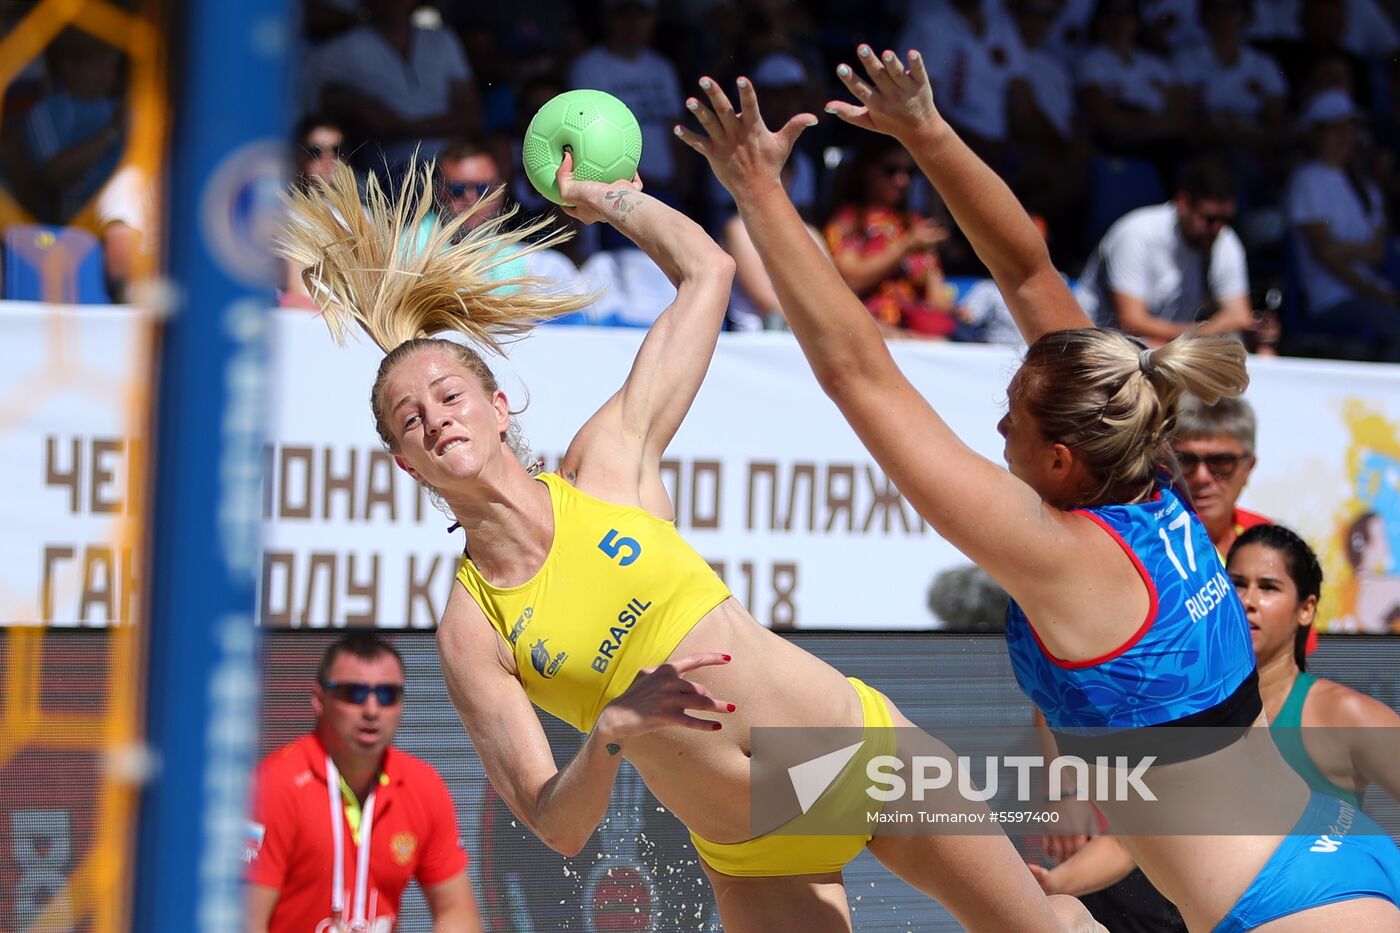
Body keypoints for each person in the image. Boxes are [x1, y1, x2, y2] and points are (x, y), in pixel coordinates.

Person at [677, 43, 1400, 932]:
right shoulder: (1142, 454)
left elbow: (860, 374)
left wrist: (758, 192)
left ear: (1061, 460)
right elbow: (1027, 273)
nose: (997, 427)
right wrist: (927, 132)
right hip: (1331, 853)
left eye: (1012, 414)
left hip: (1294, 906)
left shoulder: (1066, 554)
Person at [278, 152, 1101, 931]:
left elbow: (707, 271)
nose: (435, 416)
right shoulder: (471, 628)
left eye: (450, 392)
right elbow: (556, 824)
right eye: (410, 418)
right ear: (404, 461)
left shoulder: (605, 467)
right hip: (749, 849)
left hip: (852, 759)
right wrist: (608, 733)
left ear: (501, 406)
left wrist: (606, 202)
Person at [1029, 525, 1400, 901]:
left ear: (1306, 609)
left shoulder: (1345, 715)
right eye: (1236, 583)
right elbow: (1135, 843)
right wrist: (1052, 885)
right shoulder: (1188, 710)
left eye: (1268, 587)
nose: (1248, 600)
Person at [245, 633, 483, 932]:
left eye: (387, 695)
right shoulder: (275, 784)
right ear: (319, 699)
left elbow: (457, 911)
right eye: (353, 693)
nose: (371, 710)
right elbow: (245, 921)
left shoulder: (423, 785)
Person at [1079, 157, 1258, 345]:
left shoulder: (1223, 238)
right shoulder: (1136, 234)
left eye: (1226, 219)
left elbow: (1239, 315)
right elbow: (1131, 322)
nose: (1218, 228)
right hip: (1102, 345)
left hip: (1167, 346)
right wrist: (1200, 335)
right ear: (1183, 202)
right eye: (1210, 219)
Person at [1286, 89, 1400, 361]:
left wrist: (1339, 247)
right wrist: (1377, 293)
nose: (1345, 138)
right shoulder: (1306, 180)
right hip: (1330, 298)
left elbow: (1377, 252)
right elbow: (1324, 253)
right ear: (1316, 134)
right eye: (1335, 130)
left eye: (1349, 130)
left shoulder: (1366, 188)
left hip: (1371, 293)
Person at [305, 0, 480, 174]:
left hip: (453, 165)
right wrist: (354, 105)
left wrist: (404, 128)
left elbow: (471, 116)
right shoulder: (344, 49)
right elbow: (312, 95)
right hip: (392, 169)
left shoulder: (442, 39)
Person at [824, 137, 957, 338]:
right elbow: (850, 279)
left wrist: (956, 309)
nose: (902, 181)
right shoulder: (847, 223)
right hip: (869, 330)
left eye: (910, 173)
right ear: (867, 170)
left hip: (917, 331)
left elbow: (938, 299)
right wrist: (906, 247)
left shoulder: (915, 224)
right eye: (891, 170)